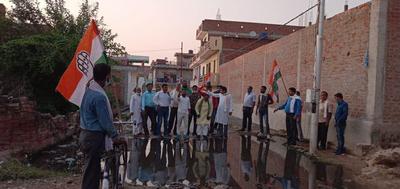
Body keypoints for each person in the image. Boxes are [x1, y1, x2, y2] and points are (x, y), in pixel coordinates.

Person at [79, 63, 124, 189]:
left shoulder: (88, 91)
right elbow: (105, 121)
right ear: (106, 77)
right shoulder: (99, 96)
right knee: (92, 172)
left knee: (91, 169)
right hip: (94, 137)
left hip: (85, 134)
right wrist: (115, 136)